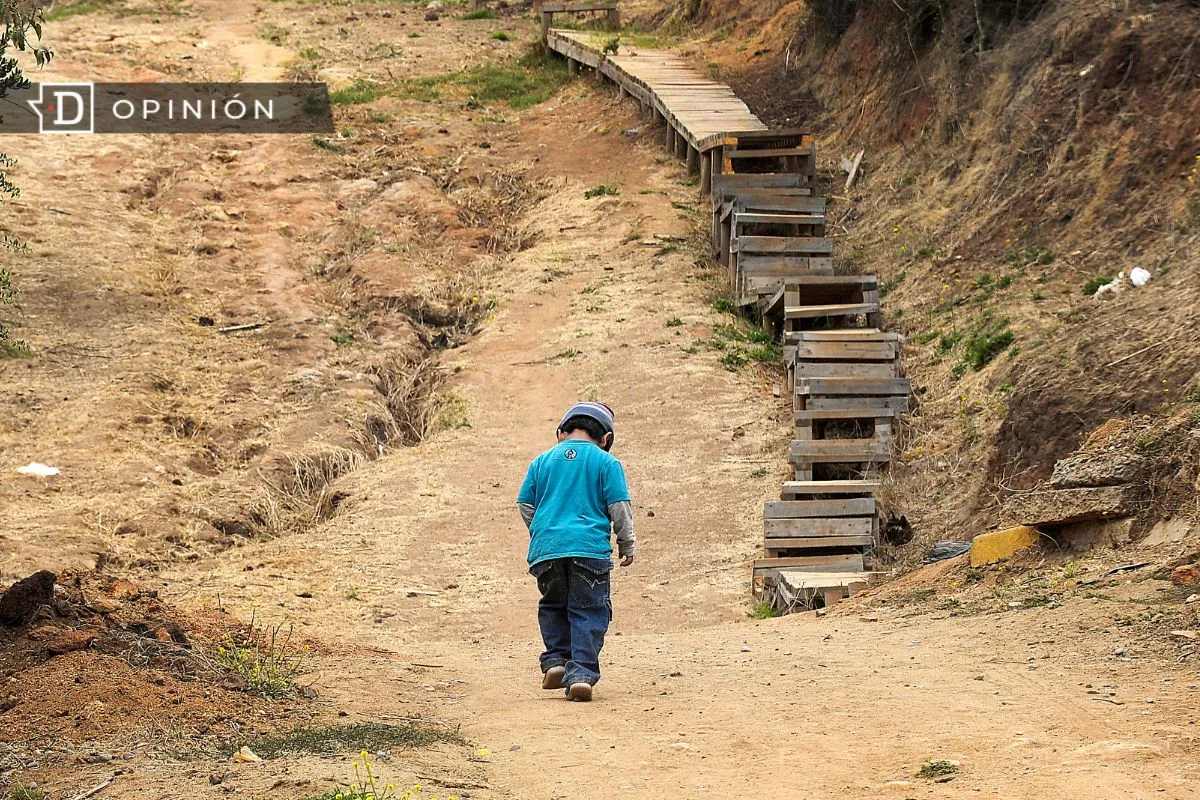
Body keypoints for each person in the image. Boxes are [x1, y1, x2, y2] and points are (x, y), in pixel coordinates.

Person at [517, 401, 635, 702]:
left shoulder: (540, 462)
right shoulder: (607, 463)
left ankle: (556, 661)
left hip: (547, 549)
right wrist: (626, 542)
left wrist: (542, 529)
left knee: (553, 604)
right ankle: (581, 673)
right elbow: (618, 507)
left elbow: (525, 504)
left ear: (560, 433)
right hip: (588, 550)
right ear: (605, 439)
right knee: (589, 608)